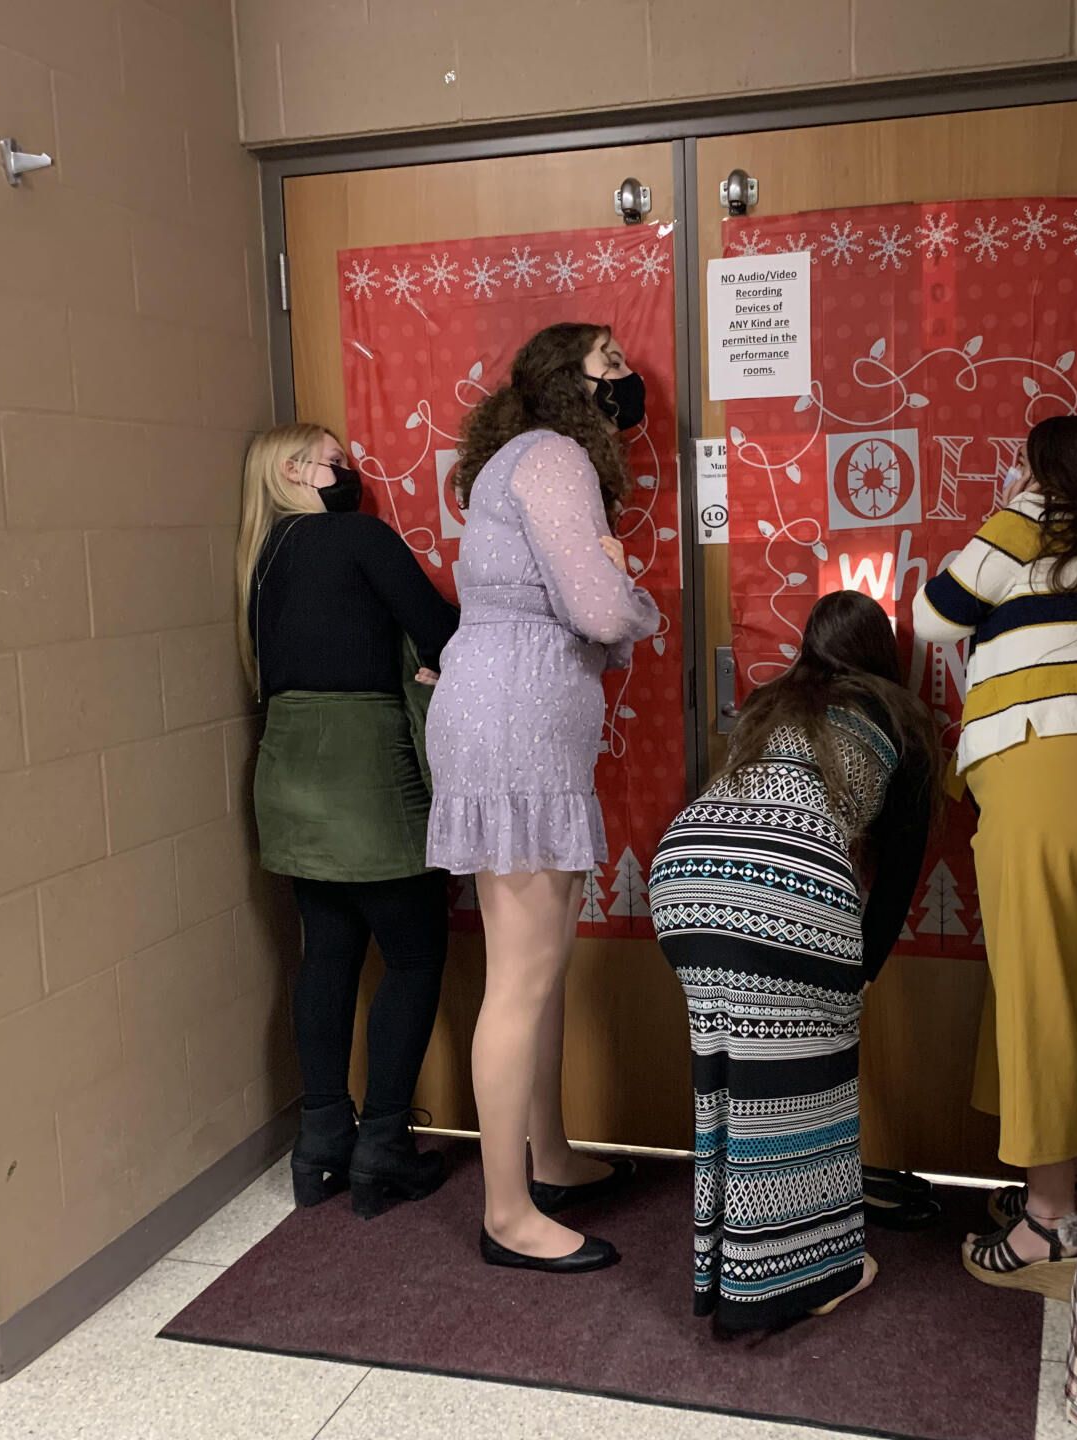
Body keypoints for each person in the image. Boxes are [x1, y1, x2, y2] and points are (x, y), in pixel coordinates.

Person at [913, 414, 1077, 1297]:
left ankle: (1049, 1226)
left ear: (1049, 472)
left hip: (1046, 776)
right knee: (1062, 1000)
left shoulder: (1037, 519)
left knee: (1037, 1004)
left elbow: (929, 617)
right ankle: (1048, 1187)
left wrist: (1021, 503)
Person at [426, 323, 661, 1274]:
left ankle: (550, 1157)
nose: (624, 377)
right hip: (517, 719)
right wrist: (629, 589)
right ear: (570, 383)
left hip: (509, 709)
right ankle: (508, 1212)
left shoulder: (510, 462)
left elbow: (568, 612)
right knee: (523, 975)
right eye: (609, 362)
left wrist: (604, 588)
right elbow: (602, 615)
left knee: (543, 961)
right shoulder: (557, 455)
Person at [650, 591, 937, 1330]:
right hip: (787, 887)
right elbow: (899, 873)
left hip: (686, 873)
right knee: (807, 1092)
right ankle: (797, 1279)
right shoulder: (899, 719)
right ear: (884, 655)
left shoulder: (771, 702)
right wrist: (860, 975)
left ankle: (727, 1265)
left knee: (726, 1075)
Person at [238, 422, 460, 1218]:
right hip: (366, 767)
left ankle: (322, 1143)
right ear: (297, 470)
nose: (352, 472)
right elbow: (442, 634)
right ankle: (385, 1148)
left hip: (287, 766)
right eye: (338, 460)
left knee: (325, 953)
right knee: (413, 954)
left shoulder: (260, 562)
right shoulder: (358, 537)